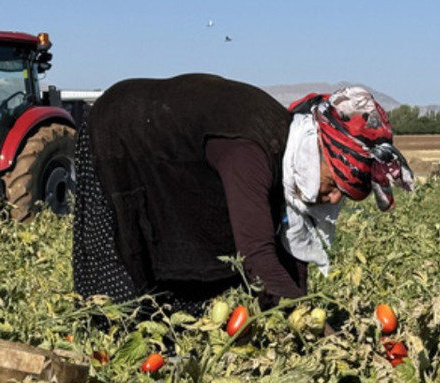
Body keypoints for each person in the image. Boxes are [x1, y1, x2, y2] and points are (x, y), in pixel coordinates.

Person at [72, 73, 414, 314]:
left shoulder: (290, 145)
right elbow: (256, 252)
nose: (336, 199)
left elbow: (285, 237)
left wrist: (297, 303)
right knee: (119, 273)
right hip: (121, 132)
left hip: (167, 139)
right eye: (336, 184)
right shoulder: (250, 151)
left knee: (189, 278)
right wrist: (304, 317)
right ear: (322, 154)